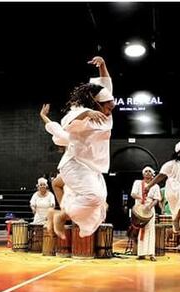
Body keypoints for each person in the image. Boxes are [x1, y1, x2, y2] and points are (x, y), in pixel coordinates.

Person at [39, 56, 114, 239]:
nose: (110, 112)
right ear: (96, 104)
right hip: (74, 164)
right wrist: (86, 113)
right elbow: (62, 124)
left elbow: (105, 83)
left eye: (112, 108)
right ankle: (60, 216)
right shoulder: (80, 114)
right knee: (94, 197)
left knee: (101, 202)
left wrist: (103, 65)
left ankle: (63, 212)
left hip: (92, 167)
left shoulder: (105, 103)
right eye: (108, 108)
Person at [130, 166, 161, 261]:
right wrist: (141, 198)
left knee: (150, 231)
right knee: (140, 231)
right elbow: (133, 194)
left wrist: (150, 206)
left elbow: (157, 199)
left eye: (149, 171)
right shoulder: (137, 183)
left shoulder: (155, 186)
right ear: (143, 174)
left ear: (153, 175)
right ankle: (141, 254)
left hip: (150, 209)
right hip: (139, 209)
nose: (147, 173)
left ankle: (151, 254)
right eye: (146, 171)